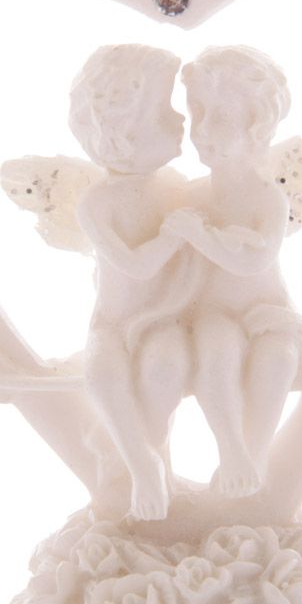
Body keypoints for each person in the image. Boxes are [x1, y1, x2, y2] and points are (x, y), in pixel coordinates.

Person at [163, 46, 302, 490]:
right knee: (215, 350)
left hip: (267, 311)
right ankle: (231, 449)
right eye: (197, 114)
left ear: (258, 125)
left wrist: (200, 235)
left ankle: (254, 455)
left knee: (278, 360)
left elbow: (254, 260)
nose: (202, 131)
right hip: (213, 312)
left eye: (220, 117)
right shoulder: (192, 195)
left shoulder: (267, 197)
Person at [72, 44, 194, 521]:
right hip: (113, 324)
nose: (181, 119)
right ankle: (143, 464)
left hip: (164, 318)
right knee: (101, 373)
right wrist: (173, 235)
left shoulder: (176, 189)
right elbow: (133, 266)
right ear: (121, 132)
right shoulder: (97, 203)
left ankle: (136, 447)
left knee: (166, 368)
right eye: (165, 110)